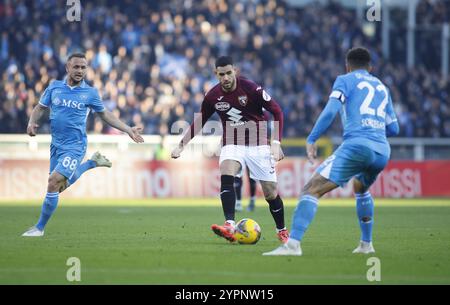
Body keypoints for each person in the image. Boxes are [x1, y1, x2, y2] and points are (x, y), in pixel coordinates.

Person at [263, 47, 399, 256]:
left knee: (311, 189)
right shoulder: (382, 87)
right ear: (370, 67)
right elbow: (394, 129)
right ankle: (366, 244)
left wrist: (312, 138)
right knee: (360, 188)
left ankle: (293, 245)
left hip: (357, 145)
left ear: (347, 66)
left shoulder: (345, 80)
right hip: (382, 151)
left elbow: (331, 110)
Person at [22, 53, 144, 237]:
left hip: (76, 146)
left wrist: (127, 129)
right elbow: (40, 108)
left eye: (83, 67)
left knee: (53, 182)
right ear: (67, 68)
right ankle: (91, 163)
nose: (80, 71)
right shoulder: (54, 87)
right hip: (56, 145)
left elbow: (105, 115)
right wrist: (31, 122)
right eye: (76, 67)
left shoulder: (90, 93)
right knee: (58, 187)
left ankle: (39, 228)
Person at [171, 56, 289, 243]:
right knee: (227, 173)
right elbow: (200, 121)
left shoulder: (251, 88)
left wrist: (276, 143)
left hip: (258, 143)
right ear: (216, 74)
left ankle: (282, 230)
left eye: (228, 73)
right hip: (232, 142)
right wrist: (181, 145)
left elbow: (277, 111)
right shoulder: (212, 96)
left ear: (235, 71)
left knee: (270, 193)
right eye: (221, 74)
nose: (225, 78)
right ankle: (229, 225)